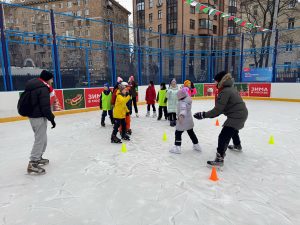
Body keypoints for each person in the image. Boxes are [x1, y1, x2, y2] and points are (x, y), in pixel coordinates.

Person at [194, 71, 248, 167]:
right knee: (233, 130)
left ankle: (219, 158)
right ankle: (237, 145)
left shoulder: (225, 91)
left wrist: (203, 115)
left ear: (220, 81)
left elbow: (217, 110)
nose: (214, 83)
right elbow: (221, 109)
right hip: (241, 113)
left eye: (215, 81)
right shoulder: (229, 89)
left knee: (224, 136)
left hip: (237, 115)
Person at [25, 70, 56, 175]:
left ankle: (37, 158)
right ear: (47, 79)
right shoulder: (43, 88)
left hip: (36, 116)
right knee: (40, 139)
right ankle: (33, 163)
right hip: (37, 116)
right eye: (51, 78)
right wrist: (51, 119)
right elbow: (45, 106)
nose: (52, 81)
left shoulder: (37, 85)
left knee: (43, 138)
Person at [170, 88, 201, 154]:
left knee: (178, 133)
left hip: (183, 121)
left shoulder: (182, 103)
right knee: (191, 132)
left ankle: (177, 147)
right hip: (189, 121)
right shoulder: (187, 99)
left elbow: (183, 110)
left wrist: (181, 116)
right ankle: (196, 145)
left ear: (180, 97)